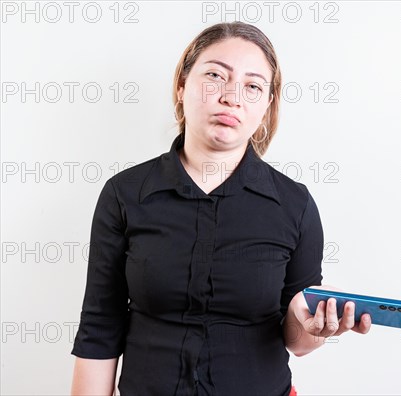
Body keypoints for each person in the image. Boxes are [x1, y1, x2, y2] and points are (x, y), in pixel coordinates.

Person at [70, 21, 371, 396]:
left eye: (253, 86)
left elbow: (297, 342)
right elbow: (100, 325)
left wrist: (313, 326)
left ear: (265, 107)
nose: (232, 97)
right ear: (182, 85)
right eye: (215, 75)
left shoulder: (295, 205)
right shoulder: (124, 194)